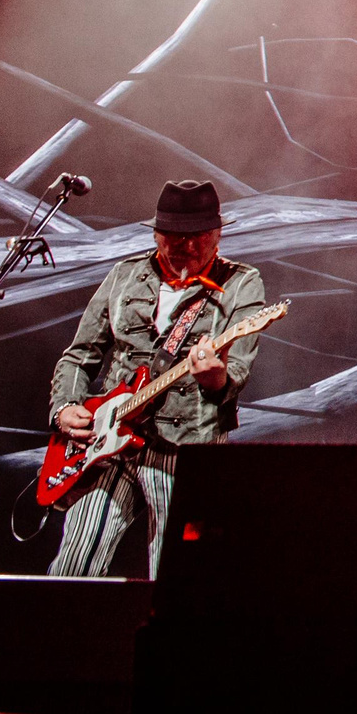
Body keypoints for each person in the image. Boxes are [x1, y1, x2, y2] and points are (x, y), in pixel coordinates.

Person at [48, 180, 267, 576]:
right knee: (73, 567)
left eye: (199, 236)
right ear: (157, 234)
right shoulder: (124, 276)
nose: (188, 247)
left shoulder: (241, 283)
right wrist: (65, 408)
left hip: (188, 449)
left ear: (217, 234)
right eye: (176, 237)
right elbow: (80, 356)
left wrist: (214, 376)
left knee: (179, 578)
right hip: (108, 441)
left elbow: (236, 372)